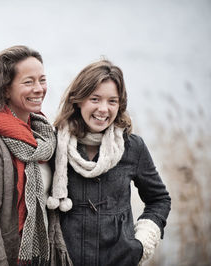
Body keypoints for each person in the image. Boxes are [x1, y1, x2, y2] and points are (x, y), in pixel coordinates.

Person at [46, 59, 171, 266]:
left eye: (112, 101)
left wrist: (141, 243)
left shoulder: (132, 147)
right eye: (95, 99)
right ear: (78, 100)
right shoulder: (54, 143)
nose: (103, 109)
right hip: (64, 261)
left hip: (119, 260)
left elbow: (159, 199)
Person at [0, 45, 72, 266]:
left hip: (42, 257)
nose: (39, 89)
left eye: (42, 80)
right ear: (5, 89)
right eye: (28, 82)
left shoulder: (45, 136)